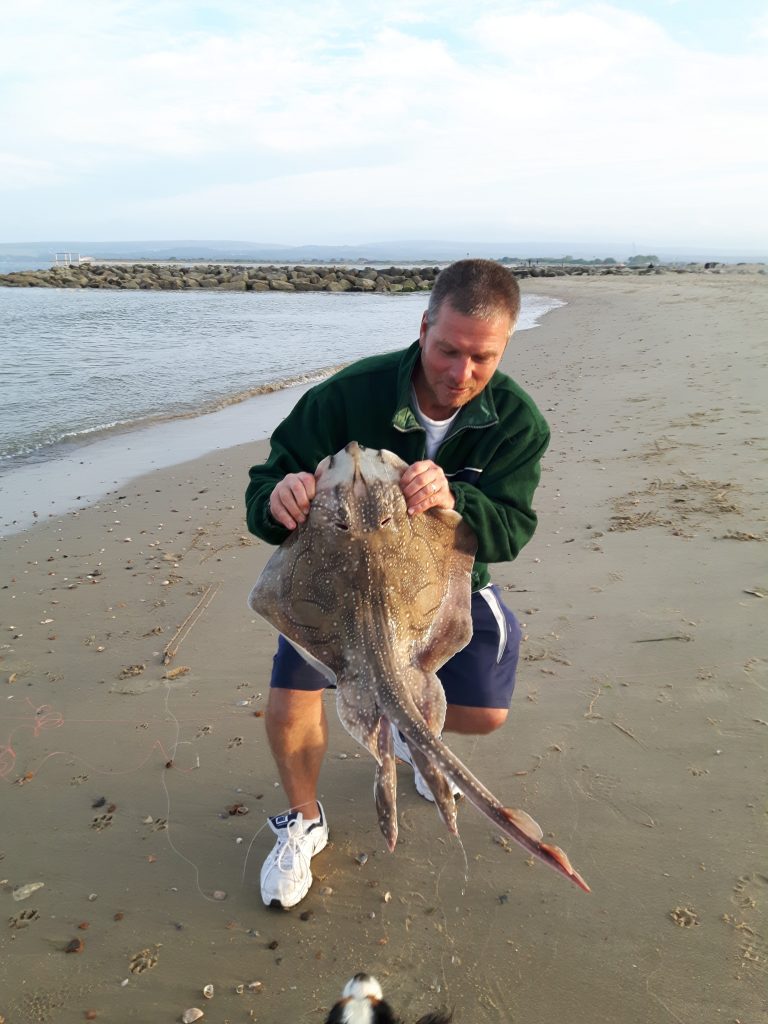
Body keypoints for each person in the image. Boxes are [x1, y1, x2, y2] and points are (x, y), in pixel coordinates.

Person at [245, 259, 550, 908]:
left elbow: (513, 530)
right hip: (333, 595)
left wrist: (459, 501)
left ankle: (410, 737)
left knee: (486, 715)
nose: (459, 373)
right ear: (423, 328)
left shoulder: (517, 423)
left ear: (505, 347)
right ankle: (303, 821)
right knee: (289, 703)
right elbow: (264, 488)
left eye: (481, 358)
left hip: (437, 591)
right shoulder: (346, 396)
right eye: (447, 350)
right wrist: (281, 496)